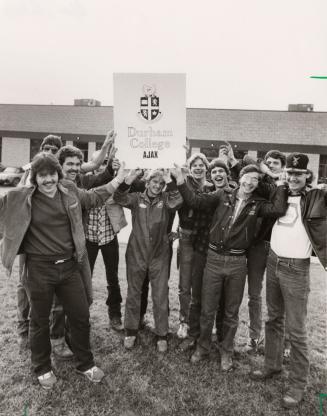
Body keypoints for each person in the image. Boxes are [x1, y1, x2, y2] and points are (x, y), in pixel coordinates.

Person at [0, 152, 124, 389]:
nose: (48, 180)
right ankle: (42, 367)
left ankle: (85, 364)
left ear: (58, 174)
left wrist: (120, 179)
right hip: (38, 269)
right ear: (34, 178)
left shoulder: (69, 190)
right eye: (42, 176)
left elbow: (94, 197)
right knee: (39, 320)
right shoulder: (20, 197)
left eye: (52, 174)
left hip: (69, 267)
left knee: (80, 316)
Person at [172, 164, 288, 371]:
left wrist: (278, 181)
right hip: (214, 259)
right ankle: (203, 347)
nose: (250, 182)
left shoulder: (258, 204)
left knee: (231, 312)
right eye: (247, 177)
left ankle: (226, 351)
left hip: (237, 262)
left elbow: (279, 209)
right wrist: (180, 180)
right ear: (240, 177)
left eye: (255, 179)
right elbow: (195, 201)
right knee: (207, 309)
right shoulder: (222, 195)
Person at [16, 132, 115, 358]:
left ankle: (66, 335)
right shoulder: (33, 178)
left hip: (72, 252)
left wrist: (109, 145)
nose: (49, 152)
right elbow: (16, 202)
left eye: (54, 149)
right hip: (38, 253)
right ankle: (36, 334)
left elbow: (96, 178)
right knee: (29, 292)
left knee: (80, 297)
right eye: (46, 149)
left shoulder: (75, 184)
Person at [251, 153, 327, 409]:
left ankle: (297, 384)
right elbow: (255, 180)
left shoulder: (317, 197)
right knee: (273, 318)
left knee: (296, 329)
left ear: (308, 175)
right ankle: (272, 365)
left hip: (296, 268)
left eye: (299, 173)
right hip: (274, 261)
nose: (294, 177)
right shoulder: (279, 192)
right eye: (291, 173)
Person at [114, 168, 183, 353]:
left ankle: (162, 334)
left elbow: (178, 201)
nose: (157, 186)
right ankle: (130, 331)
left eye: (161, 184)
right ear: (147, 182)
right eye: (155, 182)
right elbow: (119, 198)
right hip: (136, 253)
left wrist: (170, 181)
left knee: (160, 294)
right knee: (134, 292)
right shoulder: (137, 198)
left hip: (159, 254)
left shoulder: (166, 199)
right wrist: (129, 179)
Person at [244, 150, 286, 352]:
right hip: (260, 246)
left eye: (275, 163)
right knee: (254, 293)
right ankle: (254, 336)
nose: (270, 165)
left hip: (282, 249)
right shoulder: (262, 185)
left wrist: (279, 180)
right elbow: (248, 160)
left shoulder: (288, 186)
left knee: (280, 297)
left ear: (283, 166)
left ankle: (284, 343)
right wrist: (270, 174)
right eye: (268, 163)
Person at [85, 150, 127, 331]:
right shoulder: (86, 181)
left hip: (109, 235)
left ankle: (115, 314)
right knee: (85, 278)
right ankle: (82, 314)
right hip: (89, 237)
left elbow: (126, 189)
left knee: (113, 278)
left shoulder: (116, 180)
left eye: (105, 163)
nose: (102, 167)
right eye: (99, 163)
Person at [176, 153, 214, 339]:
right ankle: (184, 321)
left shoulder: (212, 187)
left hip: (205, 240)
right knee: (185, 283)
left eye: (201, 165)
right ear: (190, 168)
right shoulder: (184, 183)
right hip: (186, 237)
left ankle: (200, 321)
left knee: (203, 284)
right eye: (195, 165)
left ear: (206, 167)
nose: (198, 168)